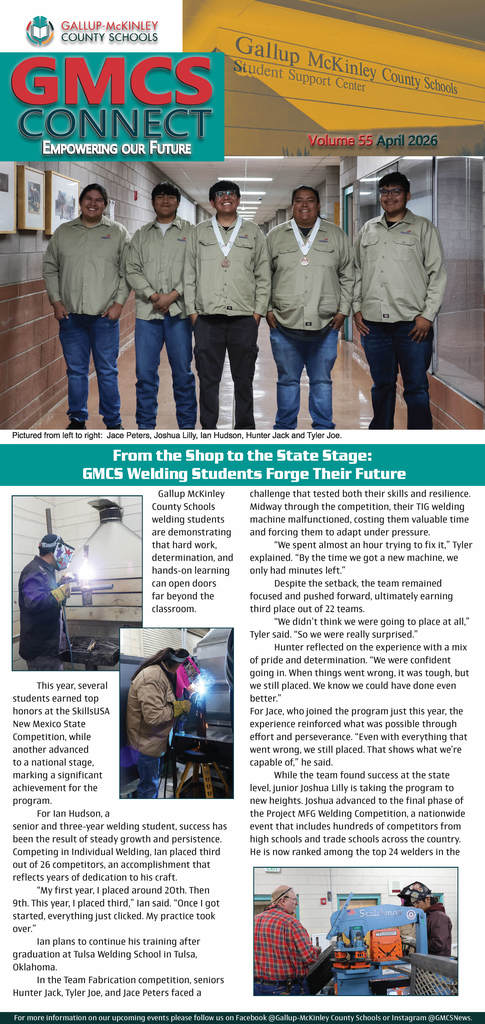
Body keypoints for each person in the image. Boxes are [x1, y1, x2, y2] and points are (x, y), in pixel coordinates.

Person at [353, 171, 447, 429]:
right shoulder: (368, 229)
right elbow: (356, 270)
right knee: (381, 385)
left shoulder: (423, 228)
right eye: (384, 192)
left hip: (412, 326)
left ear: (407, 195)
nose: (389, 196)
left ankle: (418, 445)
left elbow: (437, 274)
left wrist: (427, 315)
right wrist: (356, 307)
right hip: (374, 324)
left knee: (416, 388)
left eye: (395, 191)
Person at [43, 182, 131, 430]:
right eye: (88, 199)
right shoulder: (63, 233)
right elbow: (50, 268)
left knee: (107, 371)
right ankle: (78, 419)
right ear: (80, 202)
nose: (93, 203)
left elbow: (127, 272)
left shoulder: (118, 233)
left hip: (105, 317)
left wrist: (119, 304)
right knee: (76, 371)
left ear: (105, 204)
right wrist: (56, 301)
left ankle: (113, 422)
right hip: (70, 317)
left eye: (99, 199)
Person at [184, 180, 271, 429]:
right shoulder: (198, 233)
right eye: (220, 194)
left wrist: (257, 314)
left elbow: (263, 276)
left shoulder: (254, 232)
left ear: (238, 200)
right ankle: (209, 430)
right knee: (208, 380)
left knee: (244, 380)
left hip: (244, 319)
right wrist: (192, 313)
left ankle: (244, 430)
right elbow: (189, 275)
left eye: (231, 194)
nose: (226, 197)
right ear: (212, 202)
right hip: (207, 320)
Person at [267, 185, 353, 430]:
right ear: (292, 205)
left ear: (318, 204)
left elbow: (348, 274)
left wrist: (343, 310)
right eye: (299, 200)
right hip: (284, 324)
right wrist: (268, 309)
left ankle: (323, 431)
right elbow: (263, 276)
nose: (304, 205)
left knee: (322, 382)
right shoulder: (275, 236)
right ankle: (284, 431)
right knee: (287, 381)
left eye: (310, 200)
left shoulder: (336, 235)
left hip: (325, 324)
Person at [125, 182, 197, 430]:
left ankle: (187, 429)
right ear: (153, 202)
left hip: (180, 315)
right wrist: (154, 296)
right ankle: (145, 429)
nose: (165, 201)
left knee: (183, 375)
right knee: (145, 375)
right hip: (148, 315)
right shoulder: (141, 235)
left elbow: (195, 269)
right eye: (160, 197)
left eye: (170, 197)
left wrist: (174, 295)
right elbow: (132, 269)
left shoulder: (192, 233)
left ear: (177, 202)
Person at [126, 648, 191, 798]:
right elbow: (153, 717)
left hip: (153, 743)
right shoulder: (152, 678)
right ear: (177, 666)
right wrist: (179, 708)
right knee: (149, 789)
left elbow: (163, 704)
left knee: (150, 785)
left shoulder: (162, 674)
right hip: (145, 746)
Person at [18, 534, 74, 671]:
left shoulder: (45, 570)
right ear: (52, 552)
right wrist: (61, 592)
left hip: (50, 647)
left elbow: (46, 593)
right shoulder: (34, 571)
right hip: (41, 651)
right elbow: (35, 603)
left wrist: (61, 582)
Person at [254, 885, 320, 994]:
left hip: (256, 988)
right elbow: (309, 957)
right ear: (283, 900)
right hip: (286, 989)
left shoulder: (255, 920)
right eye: (294, 899)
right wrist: (317, 949)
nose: (297, 903)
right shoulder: (291, 923)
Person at [399, 881, 452, 956]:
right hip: (427, 962)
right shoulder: (426, 916)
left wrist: (416, 942)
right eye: (414, 903)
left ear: (427, 899)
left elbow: (438, 945)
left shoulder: (439, 917)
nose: (415, 907)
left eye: (417, 903)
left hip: (438, 964)